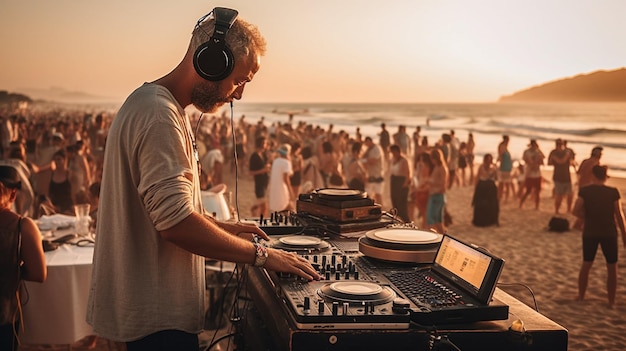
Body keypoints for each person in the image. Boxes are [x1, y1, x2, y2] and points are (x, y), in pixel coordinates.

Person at [86, 8, 319, 350]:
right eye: (239, 80)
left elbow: (161, 212)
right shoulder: (159, 117)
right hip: (156, 325)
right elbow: (175, 224)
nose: (238, 95)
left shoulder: (153, 104)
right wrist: (263, 256)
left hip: (146, 317)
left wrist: (220, 226)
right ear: (211, 63)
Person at [0, 165, 47, 351]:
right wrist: (14, 268)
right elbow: (39, 274)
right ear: (13, 194)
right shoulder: (22, 226)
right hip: (4, 315)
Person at [572, 165, 626, 308]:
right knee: (612, 267)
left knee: (586, 264)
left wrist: (586, 217)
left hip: (590, 232)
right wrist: (624, 235)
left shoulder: (585, 191)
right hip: (609, 233)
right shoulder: (613, 192)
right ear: (605, 176)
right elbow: (619, 216)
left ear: (593, 175)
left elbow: (575, 210)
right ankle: (611, 301)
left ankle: (581, 296)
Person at [547, 138, 574, 214]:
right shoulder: (558, 152)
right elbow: (557, 162)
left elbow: (570, 161)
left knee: (569, 194)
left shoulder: (556, 152)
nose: (559, 146)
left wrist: (555, 159)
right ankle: (557, 210)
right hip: (558, 176)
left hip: (566, 176)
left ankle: (568, 209)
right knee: (559, 195)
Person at [472, 154, 499, 227]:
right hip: (482, 186)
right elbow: (478, 177)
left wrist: (495, 170)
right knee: (481, 204)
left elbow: (496, 178)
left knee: (492, 204)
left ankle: (491, 221)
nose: (488, 161)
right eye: (487, 159)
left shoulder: (493, 167)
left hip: (490, 186)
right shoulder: (481, 167)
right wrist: (476, 187)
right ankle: (480, 221)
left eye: (490, 160)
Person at [426, 148, 448, 233]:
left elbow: (443, 184)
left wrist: (431, 182)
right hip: (436, 195)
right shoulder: (437, 167)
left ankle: (436, 239)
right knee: (438, 221)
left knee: (431, 220)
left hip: (437, 195)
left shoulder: (441, 168)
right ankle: (442, 238)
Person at [519, 139, 545, 210]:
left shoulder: (538, 152)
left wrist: (539, 150)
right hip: (530, 174)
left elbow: (543, 157)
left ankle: (537, 206)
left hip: (537, 174)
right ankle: (521, 204)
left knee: (537, 192)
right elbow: (525, 160)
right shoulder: (527, 152)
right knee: (528, 191)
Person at [268, 144, 294, 213]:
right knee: (288, 209)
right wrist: (291, 191)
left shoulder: (276, 161)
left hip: (275, 189)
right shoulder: (286, 163)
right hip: (282, 190)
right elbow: (286, 178)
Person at [248, 136, 270, 217]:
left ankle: (254, 210)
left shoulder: (263, 154)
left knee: (261, 205)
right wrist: (263, 171)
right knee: (264, 207)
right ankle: (261, 221)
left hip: (265, 183)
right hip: (259, 184)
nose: (265, 145)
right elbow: (250, 172)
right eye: (264, 143)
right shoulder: (254, 156)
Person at [389, 144, 411, 222]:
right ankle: (398, 221)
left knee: (402, 206)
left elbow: (408, 174)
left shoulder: (404, 160)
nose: (393, 154)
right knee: (395, 204)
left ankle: (406, 221)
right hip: (394, 181)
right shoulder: (393, 159)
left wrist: (404, 186)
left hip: (401, 182)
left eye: (394, 152)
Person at [362, 137, 384, 205]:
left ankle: (381, 209)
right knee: (368, 194)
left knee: (378, 194)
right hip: (370, 174)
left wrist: (365, 160)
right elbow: (363, 157)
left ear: (370, 141)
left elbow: (373, 161)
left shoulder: (377, 149)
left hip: (377, 175)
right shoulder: (369, 149)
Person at [497, 135, 514, 203]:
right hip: (504, 167)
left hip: (507, 167)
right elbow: (500, 156)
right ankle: (501, 197)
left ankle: (504, 198)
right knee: (504, 183)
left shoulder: (504, 147)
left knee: (506, 183)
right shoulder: (502, 147)